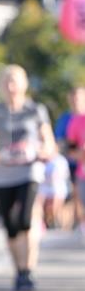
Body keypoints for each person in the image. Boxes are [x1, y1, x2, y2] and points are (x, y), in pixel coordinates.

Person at [0, 65, 55, 291]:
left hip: (28, 172)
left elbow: (49, 143)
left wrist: (41, 151)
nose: (11, 86)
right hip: (3, 175)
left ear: (24, 84)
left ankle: (28, 270)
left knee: (25, 220)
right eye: (6, 81)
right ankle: (19, 270)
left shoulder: (35, 110)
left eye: (15, 81)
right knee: (11, 225)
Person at [66, 86, 85, 239]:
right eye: (73, 98)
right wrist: (81, 153)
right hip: (82, 173)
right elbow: (71, 150)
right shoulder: (74, 122)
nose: (76, 101)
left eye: (79, 98)